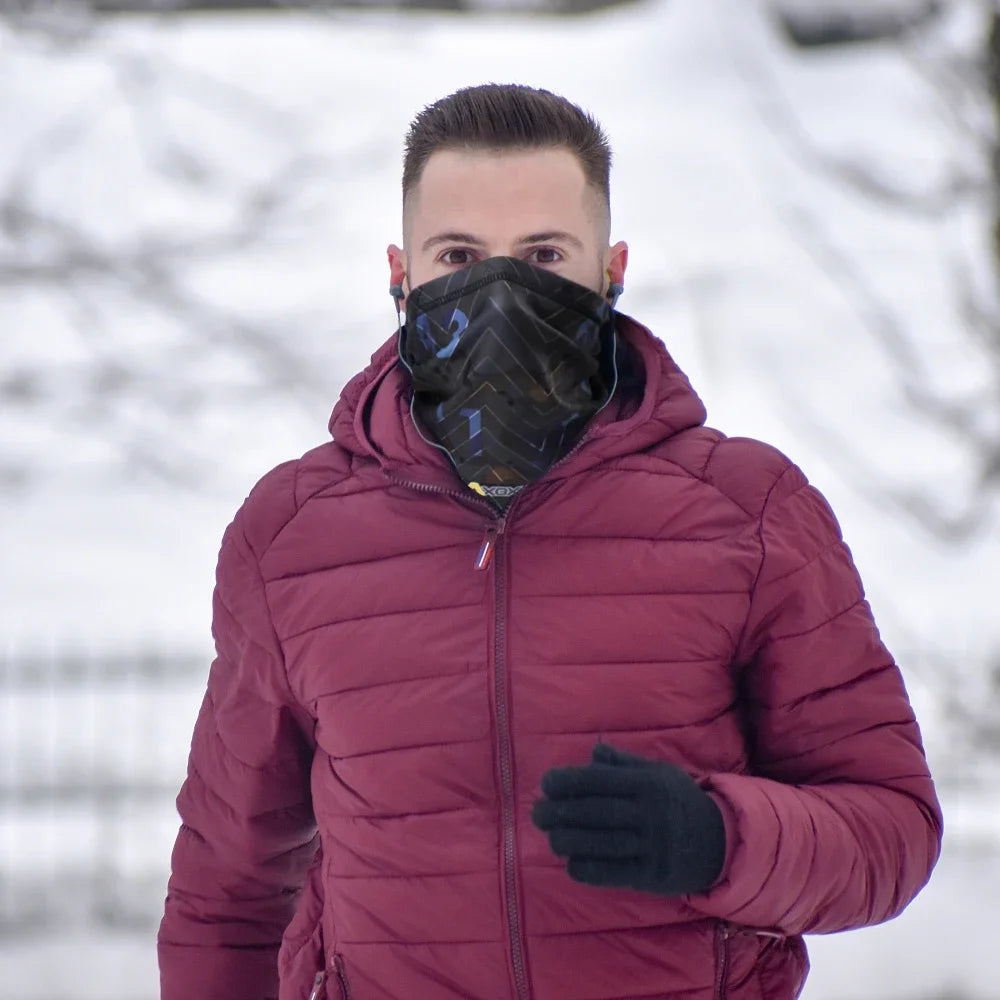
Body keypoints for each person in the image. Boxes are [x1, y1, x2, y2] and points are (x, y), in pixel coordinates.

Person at [158, 84, 942, 1000]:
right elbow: (228, 886)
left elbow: (893, 833)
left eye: (543, 255)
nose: (501, 293)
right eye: (458, 255)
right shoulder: (292, 535)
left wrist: (720, 837)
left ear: (611, 269)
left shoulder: (748, 512)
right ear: (399, 272)